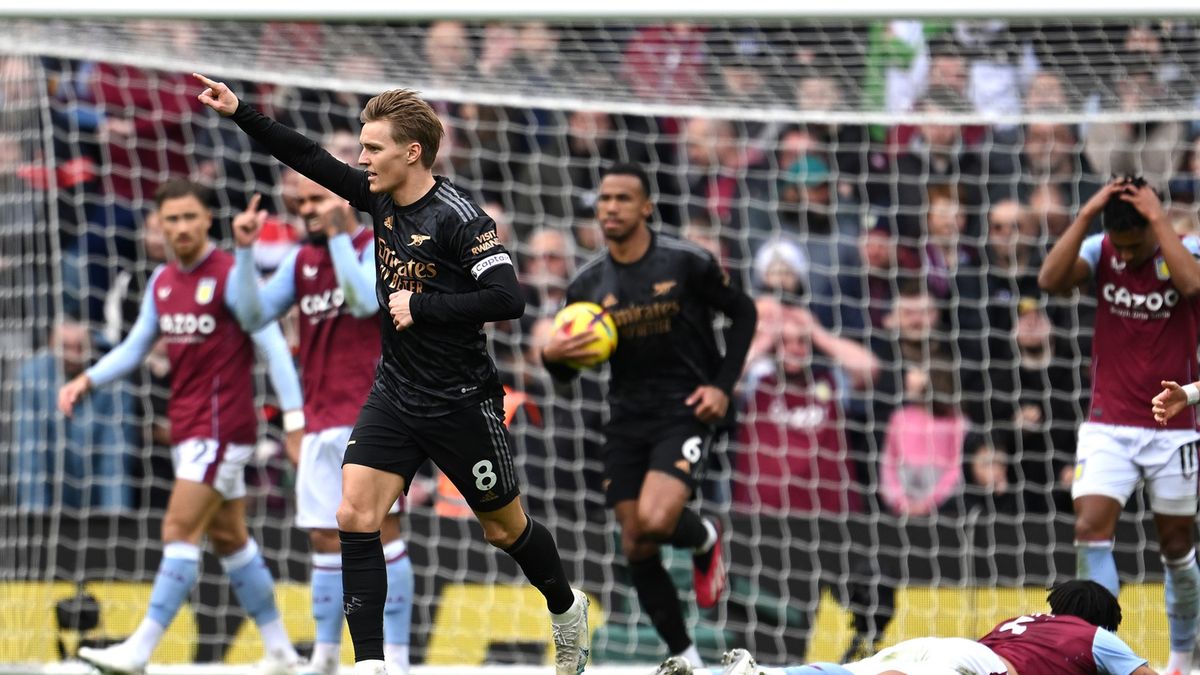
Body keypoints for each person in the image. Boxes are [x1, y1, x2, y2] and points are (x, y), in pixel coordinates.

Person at [194, 73, 591, 675]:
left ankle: (565, 608)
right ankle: (372, 663)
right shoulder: (378, 198)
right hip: (396, 394)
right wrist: (239, 111)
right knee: (355, 515)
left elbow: (509, 298)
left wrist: (422, 306)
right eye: (361, 147)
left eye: (372, 148)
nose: (361, 159)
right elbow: (308, 157)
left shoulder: (462, 218)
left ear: (412, 152)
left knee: (504, 529)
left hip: (461, 401)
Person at [56, 179, 305, 674]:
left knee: (177, 527)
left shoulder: (232, 274)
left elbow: (274, 347)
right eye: (171, 219)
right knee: (231, 539)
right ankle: (279, 649)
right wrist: (87, 379)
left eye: (190, 216)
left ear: (208, 219)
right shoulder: (162, 281)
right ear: (158, 225)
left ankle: (139, 650)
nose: (181, 227)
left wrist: (295, 420)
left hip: (223, 428)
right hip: (188, 427)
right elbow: (134, 347)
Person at [542, 163, 758, 667]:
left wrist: (722, 386)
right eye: (604, 199)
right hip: (626, 417)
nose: (611, 208)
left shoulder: (686, 262)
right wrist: (552, 355)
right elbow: (565, 374)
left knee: (656, 520)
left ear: (646, 207)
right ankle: (686, 656)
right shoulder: (586, 285)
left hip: (685, 408)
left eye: (622, 198)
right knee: (636, 542)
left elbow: (745, 313)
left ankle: (705, 538)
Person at [228, 171, 413, 675]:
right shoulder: (300, 260)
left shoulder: (379, 244)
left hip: (375, 415)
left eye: (316, 198)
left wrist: (336, 237)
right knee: (324, 538)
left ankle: (396, 658)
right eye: (299, 201)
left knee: (382, 532)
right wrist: (244, 252)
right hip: (319, 419)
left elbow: (364, 301)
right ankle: (326, 656)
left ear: (346, 196)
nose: (306, 209)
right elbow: (252, 315)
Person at [1039, 176, 1200, 675]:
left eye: (1134, 246)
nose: (1125, 256)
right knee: (1090, 528)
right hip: (1108, 424)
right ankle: (1101, 654)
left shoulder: (1186, 250)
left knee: (1177, 546)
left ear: (1153, 225)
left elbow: (1193, 286)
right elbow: (1050, 280)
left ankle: (1183, 660)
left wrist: (1158, 220)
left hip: (1175, 424)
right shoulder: (1099, 248)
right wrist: (1087, 214)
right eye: (1120, 245)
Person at [657, 579, 1157, 675]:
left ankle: (738, 673)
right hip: (974, 664)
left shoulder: (1021, 622)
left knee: (850, 672)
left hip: (942, 648)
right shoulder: (1096, 638)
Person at [13, 320, 134, 510]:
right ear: (51, 345)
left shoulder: (115, 379)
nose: (74, 355)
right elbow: (30, 455)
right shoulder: (32, 377)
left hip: (96, 499)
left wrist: (115, 518)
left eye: (81, 347)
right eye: (66, 347)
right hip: (53, 497)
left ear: (93, 344)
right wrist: (35, 516)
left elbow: (116, 461)